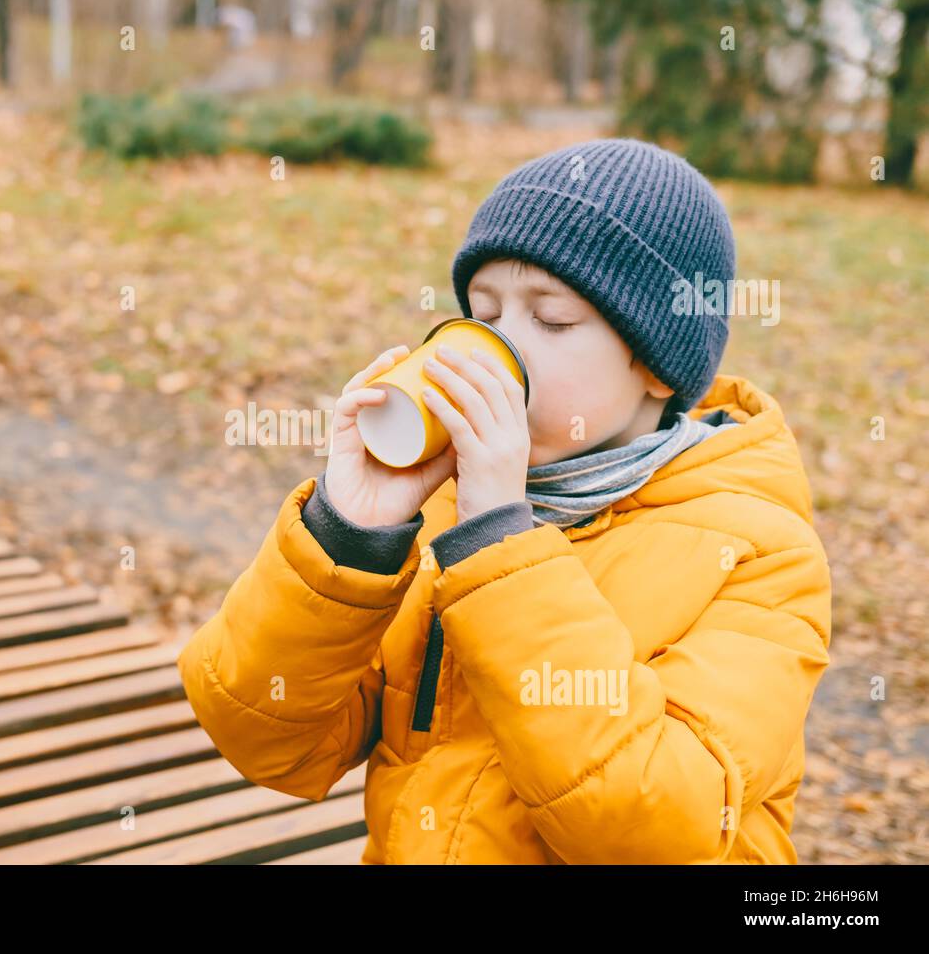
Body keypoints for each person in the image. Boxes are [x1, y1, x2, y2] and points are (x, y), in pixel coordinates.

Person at [177, 138, 832, 864]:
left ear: (654, 364)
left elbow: (658, 829)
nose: (497, 350)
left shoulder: (756, 554)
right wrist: (349, 535)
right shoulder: (446, 515)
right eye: (482, 314)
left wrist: (499, 552)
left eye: (550, 320)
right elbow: (267, 742)